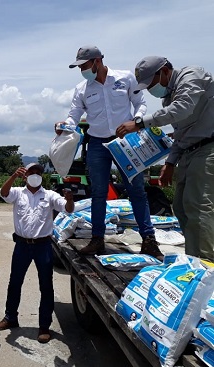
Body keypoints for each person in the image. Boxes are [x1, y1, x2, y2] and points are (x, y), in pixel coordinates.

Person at [57, 45, 163, 260]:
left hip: (125, 142)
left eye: (84, 66)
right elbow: (74, 115)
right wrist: (64, 124)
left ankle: (149, 240)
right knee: (98, 193)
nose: (82, 71)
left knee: (137, 191)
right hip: (97, 144)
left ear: (97, 61)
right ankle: (97, 240)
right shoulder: (82, 89)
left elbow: (140, 103)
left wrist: (135, 121)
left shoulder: (125, 78)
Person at [116, 56, 214, 261]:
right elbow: (181, 134)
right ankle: (193, 260)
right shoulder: (168, 98)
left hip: (208, 149)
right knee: (180, 206)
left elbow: (182, 109)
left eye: (152, 83)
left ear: (165, 71)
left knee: (199, 208)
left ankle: (207, 266)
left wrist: (141, 123)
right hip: (189, 152)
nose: (151, 89)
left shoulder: (191, 75)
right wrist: (170, 163)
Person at [0, 163, 74, 343]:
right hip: (22, 245)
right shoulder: (17, 192)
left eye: (38, 172)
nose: (35, 174)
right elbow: (3, 193)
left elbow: (67, 209)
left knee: (46, 286)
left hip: (43, 246)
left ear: (42, 176)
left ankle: (44, 326)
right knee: (15, 282)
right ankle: (10, 318)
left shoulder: (50, 195)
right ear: (25, 175)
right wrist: (13, 176)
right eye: (32, 172)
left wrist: (69, 199)